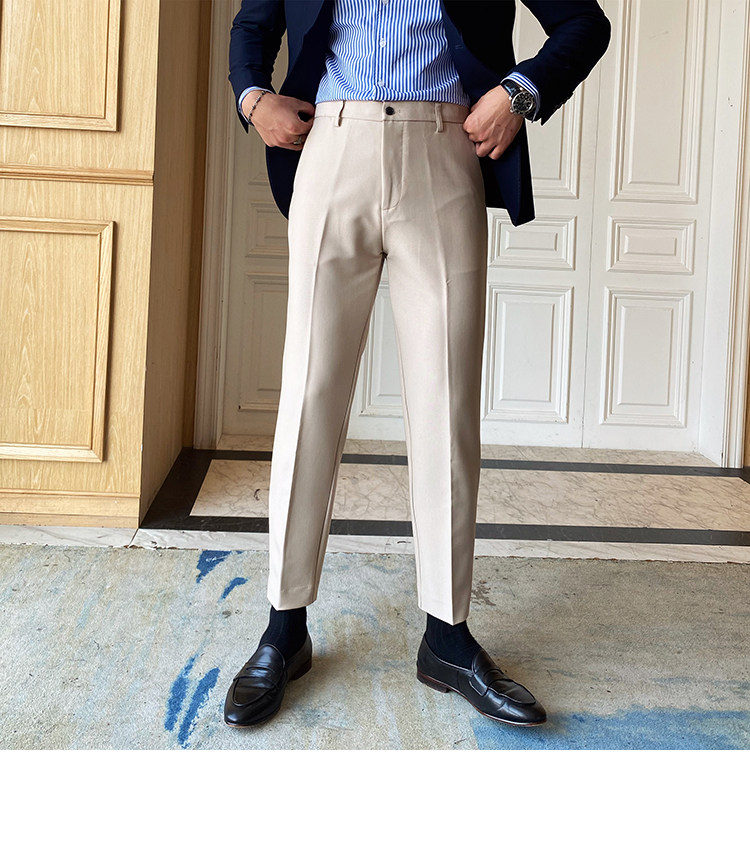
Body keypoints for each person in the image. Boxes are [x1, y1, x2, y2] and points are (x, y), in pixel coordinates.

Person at [225, 0, 611, 729]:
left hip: (443, 149)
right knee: (309, 395)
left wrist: (518, 93)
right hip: (332, 147)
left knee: (446, 400)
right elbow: (254, 22)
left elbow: (584, 22)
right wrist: (253, 97)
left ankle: (448, 637)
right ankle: (283, 626)